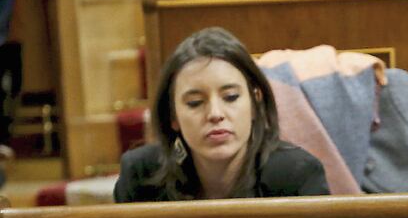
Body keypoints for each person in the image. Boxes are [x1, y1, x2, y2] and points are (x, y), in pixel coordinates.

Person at [114, 27, 330, 202]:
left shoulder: (297, 174)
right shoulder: (141, 174)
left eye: (231, 97)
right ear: (173, 117)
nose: (215, 114)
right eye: (195, 103)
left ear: (255, 103)